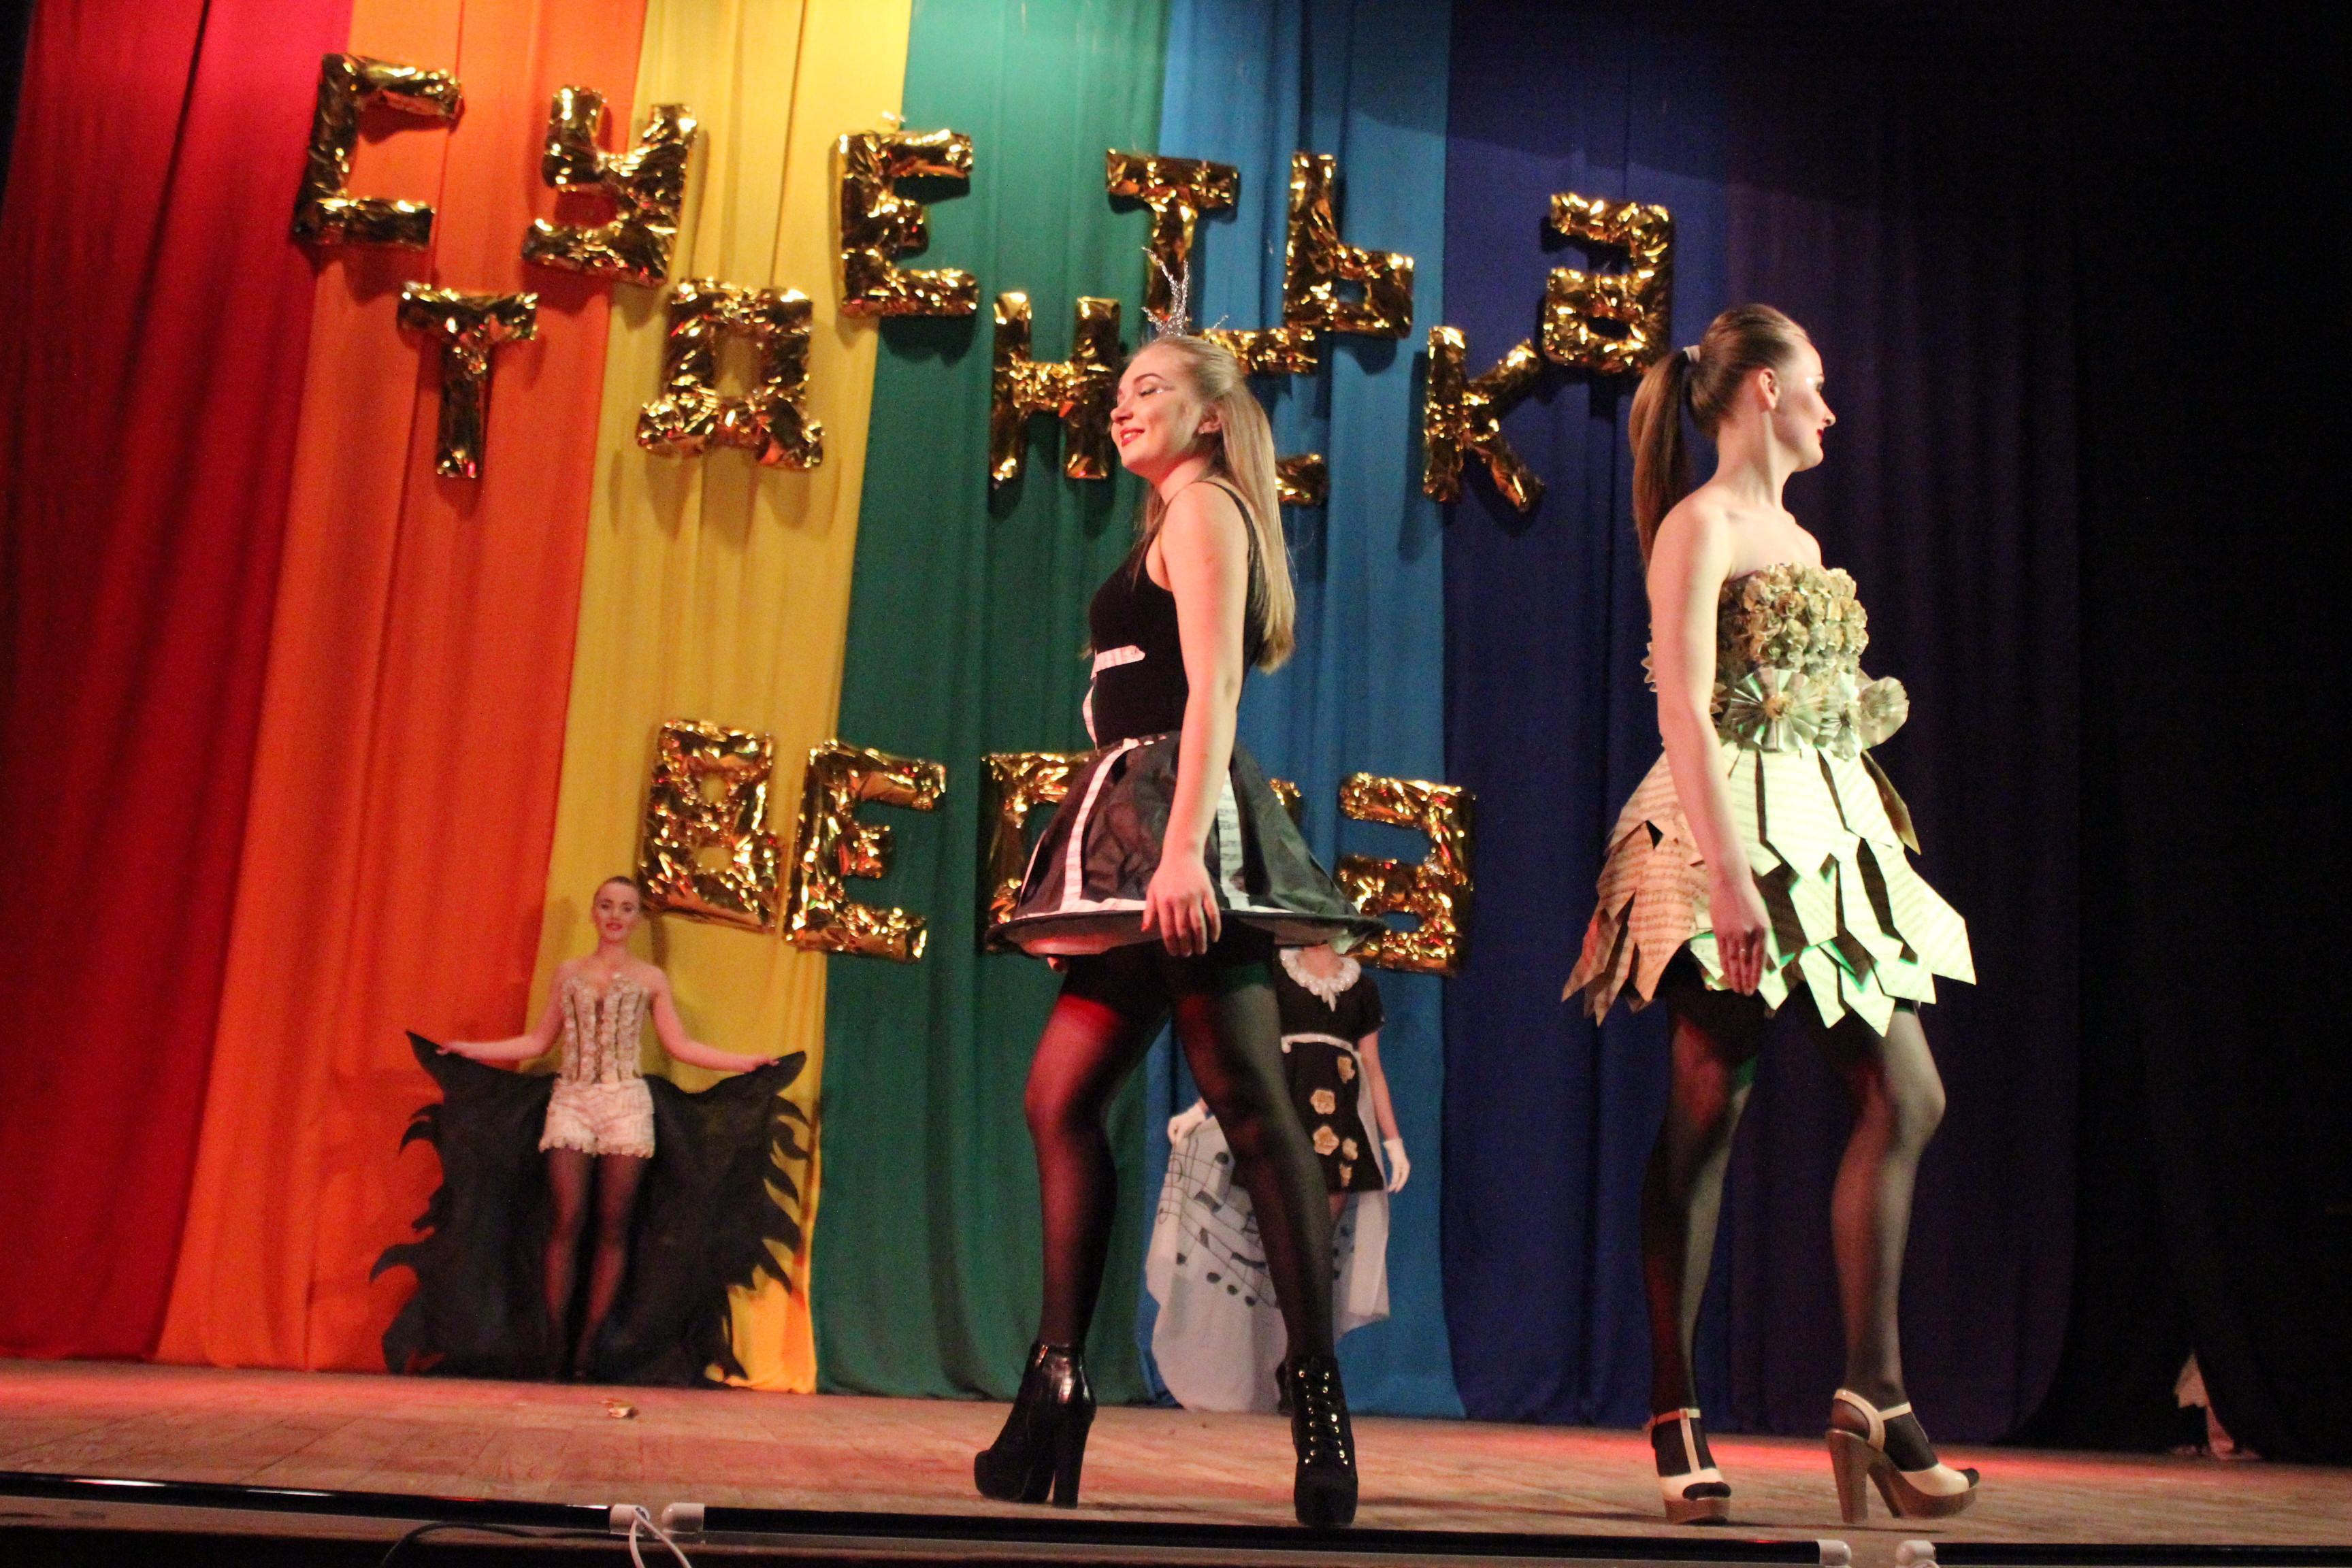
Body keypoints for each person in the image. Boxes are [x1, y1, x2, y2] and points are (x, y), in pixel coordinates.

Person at [1563, 307, 1980, 1526]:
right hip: (1728, 826)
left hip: (1826, 826)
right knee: (1709, 1106)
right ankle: (1675, 1408)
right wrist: (1730, 874)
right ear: (1760, 392)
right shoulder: (1700, 525)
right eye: (1816, 385)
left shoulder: (1795, 532)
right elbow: (1684, 709)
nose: (1829, 410)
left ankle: (1874, 1394)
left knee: (1909, 1093)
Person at [981, 327, 1381, 1527]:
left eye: (1149, 388)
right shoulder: (1168, 518)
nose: (1123, 404)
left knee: (1252, 1107)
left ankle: (1317, 1399)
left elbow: (1216, 691)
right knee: (1060, 1098)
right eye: (1117, 391)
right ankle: (1056, 1382)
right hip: (1134, 824)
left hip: (1175, 832)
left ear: (1211, 415)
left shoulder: (1206, 509)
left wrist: (1181, 852)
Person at [442, 876, 777, 1379]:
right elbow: (537, 1043)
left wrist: (743, 1062)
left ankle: (588, 1349)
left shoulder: (650, 978)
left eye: (625, 908)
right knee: (565, 1219)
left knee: (614, 1226)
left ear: (638, 918)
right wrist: (472, 1050)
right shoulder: (568, 972)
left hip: (625, 1103)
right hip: (572, 1099)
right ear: (594, 913)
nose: (615, 916)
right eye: (606, 906)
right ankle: (554, 1345)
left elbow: (681, 1046)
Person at [1149, 942, 1405, 1412]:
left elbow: (1373, 1068)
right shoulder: (1279, 974)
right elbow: (1249, 1053)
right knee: (1285, 1244)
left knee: (1314, 1249)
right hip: (1287, 1113)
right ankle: (1273, 1358)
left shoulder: (1361, 988)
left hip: (1340, 1130)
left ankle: (1299, 1364)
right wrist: (1203, 1109)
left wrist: (1393, 1142)